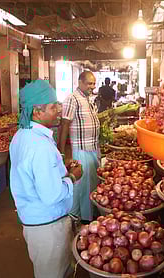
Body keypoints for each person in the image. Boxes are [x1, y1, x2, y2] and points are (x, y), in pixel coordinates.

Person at [9, 79, 82, 278]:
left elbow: (35, 174)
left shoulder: (22, 135)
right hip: (47, 226)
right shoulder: (39, 146)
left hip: (35, 221)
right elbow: (51, 194)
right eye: (53, 106)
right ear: (37, 111)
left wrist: (61, 171)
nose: (59, 109)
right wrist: (72, 178)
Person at [58, 71, 100, 224]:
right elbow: (64, 125)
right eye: (89, 83)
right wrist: (61, 152)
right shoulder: (72, 99)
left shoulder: (87, 98)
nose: (92, 86)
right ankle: (83, 217)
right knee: (82, 185)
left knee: (92, 184)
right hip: (82, 149)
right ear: (80, 82)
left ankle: (90, 212)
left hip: (93, 147)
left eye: (94, 83)